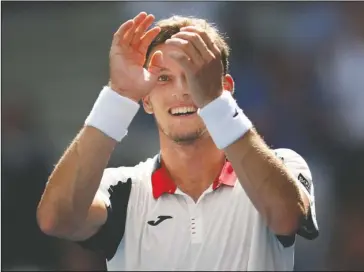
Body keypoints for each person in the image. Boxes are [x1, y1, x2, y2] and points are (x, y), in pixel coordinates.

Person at [37, 12, 319, 271]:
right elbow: (55, 219)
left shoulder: (283, 163)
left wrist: (214, 103)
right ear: (145, 99)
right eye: (163, 78)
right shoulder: (122, 188)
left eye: (195, 76)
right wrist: (118, 95)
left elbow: (286, 218)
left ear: (225, 89)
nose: (182, 91)